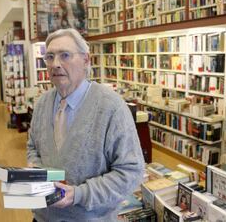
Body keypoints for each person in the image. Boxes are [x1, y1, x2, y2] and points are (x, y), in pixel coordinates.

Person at [27, 28, 145, 221]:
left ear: (86, 60)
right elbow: (32, 146)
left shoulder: (111, 107)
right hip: (43, 217)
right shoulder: (42, 103)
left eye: (65, 55)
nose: (55, 64)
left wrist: (79, 194)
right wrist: (40, 173)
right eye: (49, 56)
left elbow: (131, 172)